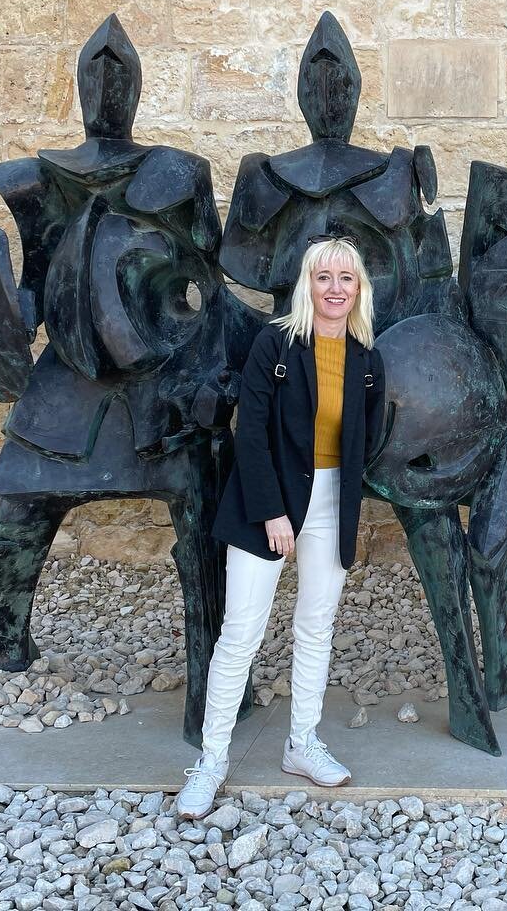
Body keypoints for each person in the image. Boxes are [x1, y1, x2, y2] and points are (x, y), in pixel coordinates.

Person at [177, 235, 386, 819]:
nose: (335, 288)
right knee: (241, 631)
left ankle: (302, 742)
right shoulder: (276, 342)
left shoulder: (366, 357)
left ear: (359, 289)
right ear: (308, 285)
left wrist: (337, 499)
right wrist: (273, 511)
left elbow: (365, 440)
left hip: (331, 504)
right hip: (265, 501)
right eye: (325, 278)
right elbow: (250, 432)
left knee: (315, 627)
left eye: (347, 278)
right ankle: (212, 760)